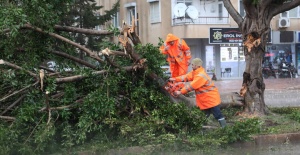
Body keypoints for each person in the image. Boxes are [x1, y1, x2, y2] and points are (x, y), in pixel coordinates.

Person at [169, 58, 226, 128]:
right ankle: (200, 127)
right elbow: (186, 77)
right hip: (206, 99)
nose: (191, 66)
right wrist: (174, 79)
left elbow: (191, 86)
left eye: (193, 65)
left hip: (211, 99)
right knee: (204, 114)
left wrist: (180, 92)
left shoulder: (200, 76)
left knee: (217, 114)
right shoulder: (195, 72)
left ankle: (224, 128)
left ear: (197, 65)